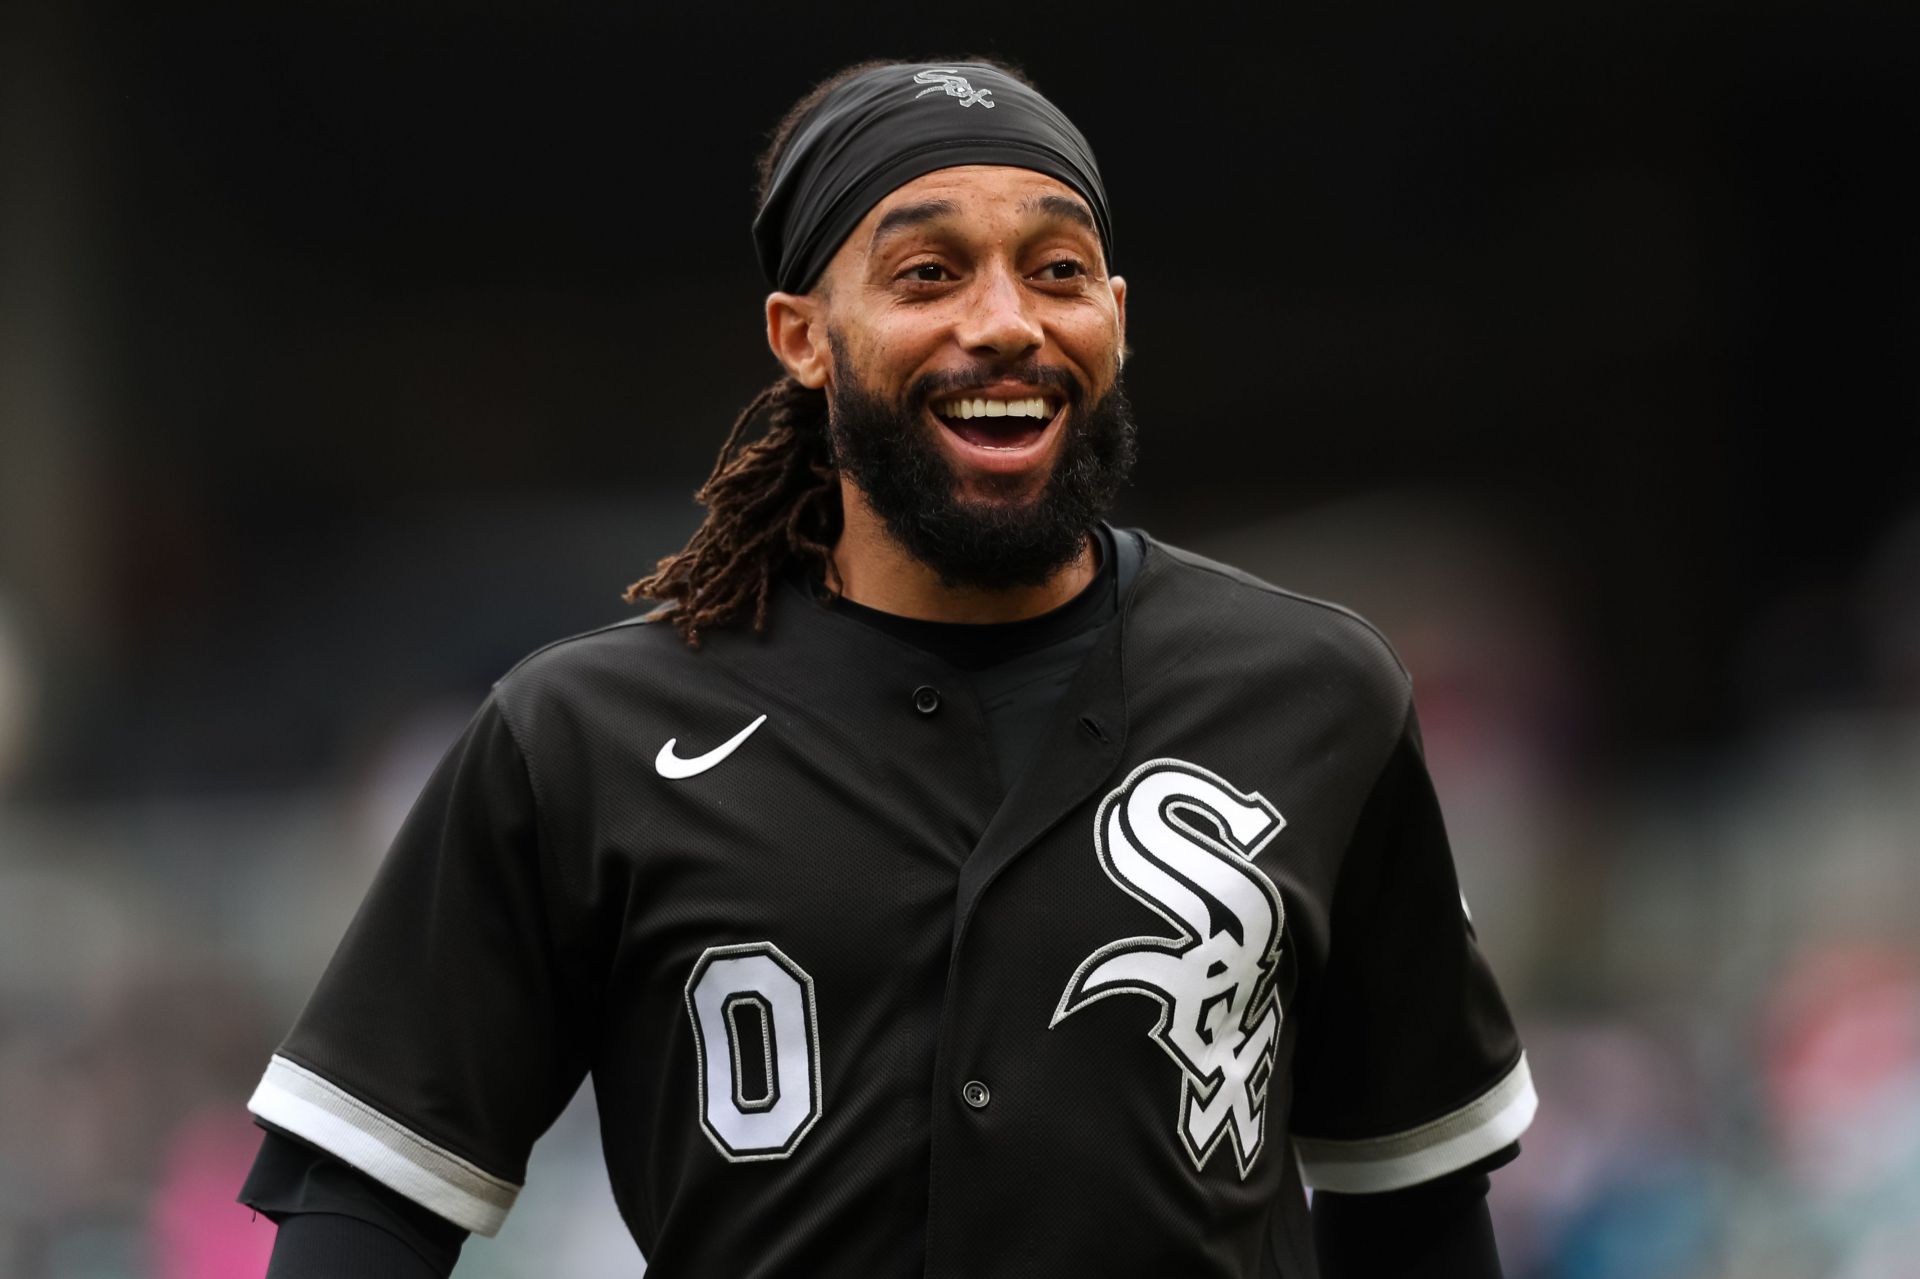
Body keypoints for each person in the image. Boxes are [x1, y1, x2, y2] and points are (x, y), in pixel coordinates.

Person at [237, 57, 1536, 1278]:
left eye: (1057, 269)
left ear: (1117, 320)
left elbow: (1417, 1199)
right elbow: (368, 1202)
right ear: (803, 335)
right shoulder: (583, 737)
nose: (1007, 321)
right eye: (928, 273)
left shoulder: (1316, 693)